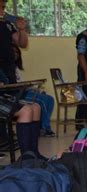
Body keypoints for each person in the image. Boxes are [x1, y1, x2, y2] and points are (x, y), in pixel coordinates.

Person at [0, 1, 45, 159]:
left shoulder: (6, 25)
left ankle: (34, 154)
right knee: (25, 111)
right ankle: (26, 159)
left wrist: (21, 29)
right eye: (0, 7)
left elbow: (22, 43)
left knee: (36, 107)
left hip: (8, 81)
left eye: (4, 7)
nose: (2, 11)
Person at [12, 43, 56, 137]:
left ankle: (42, 126)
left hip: (25, 91)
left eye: (17, 52)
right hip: (18, 93)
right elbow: (15, 85)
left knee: (50, 99)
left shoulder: (16, 68)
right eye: (13, 52)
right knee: (42, 101)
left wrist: (34, 88)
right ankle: (45, 128)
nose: (15, 54)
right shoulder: (7, 68)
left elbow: (21, 83)